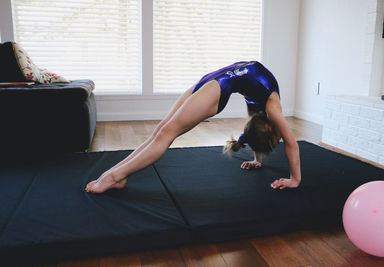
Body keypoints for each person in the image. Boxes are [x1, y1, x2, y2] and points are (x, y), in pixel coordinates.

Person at [86, 61, 301, 194]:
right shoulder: (273, 109)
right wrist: (295, 179)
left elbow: (258, 134)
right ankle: (116, 175)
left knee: (163, 133)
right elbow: (292, 144)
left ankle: (114, 175)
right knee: (161, 132)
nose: (281, 139)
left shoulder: (262, 113)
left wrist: (257, 159)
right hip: (216, 83)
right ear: (270, 130)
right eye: (276, 141)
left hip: (215, 80)